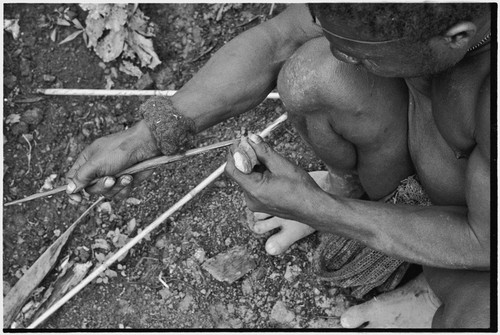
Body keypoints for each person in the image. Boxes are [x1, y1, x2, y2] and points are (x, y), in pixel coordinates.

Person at [66, 4, 491, 328]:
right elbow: (279, 39)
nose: (346, 57)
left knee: (476, 316)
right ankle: (354, 193)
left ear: (457, 37)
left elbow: (481, 240)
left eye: (364, 56)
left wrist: (315, 208)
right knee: (313, 74)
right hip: (444, 162)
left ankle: (431, 296)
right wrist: (146, 137)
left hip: (476, 235)